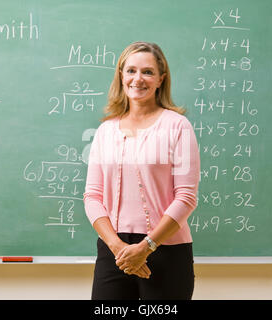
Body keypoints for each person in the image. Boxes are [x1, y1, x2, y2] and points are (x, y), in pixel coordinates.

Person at [83, 41, 200, 300]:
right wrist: (117, 247)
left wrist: (146, 247)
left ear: (161, 79)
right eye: (131, 70)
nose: (138, 79)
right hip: (114, 251)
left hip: (166, 248)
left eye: (147, 72)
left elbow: (186, 197)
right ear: (121, 76)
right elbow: (92, 196)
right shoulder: (105, 131)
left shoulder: (178, 127)